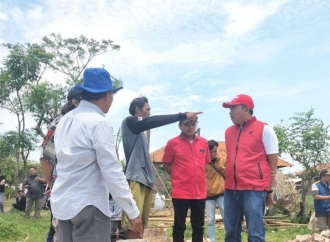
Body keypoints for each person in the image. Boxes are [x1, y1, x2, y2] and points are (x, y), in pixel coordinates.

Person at [51, 68, 142, 242]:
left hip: (63, 204)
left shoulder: (64, 120)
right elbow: (111, 171)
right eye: (112, 95)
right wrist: (133, 212)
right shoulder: (99, 123)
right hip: (88, 206)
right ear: (107, 94)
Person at [121, 96, 201, 239]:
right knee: (133, 223)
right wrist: (182, 115)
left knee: (142, 224)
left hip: (145, 181)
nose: (149, 113)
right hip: (135, 178)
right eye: (147, 109)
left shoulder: (140, 134)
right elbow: (153, 121)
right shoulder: (129, 122)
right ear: (137, 110)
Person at [222, 94, 278, 242]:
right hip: (230, 189)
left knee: (255, 234)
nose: (230, 112)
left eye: (234, 107)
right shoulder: (228, 132)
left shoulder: (264, 129)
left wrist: (270, 190)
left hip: (253, 189)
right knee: (231, 233)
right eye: (230, 108)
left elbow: (273, 163)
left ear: (246, 109)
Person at [40, 85, 82, 242]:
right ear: (75, 102)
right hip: (66, 188)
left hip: (71, 188)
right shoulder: (61, 122)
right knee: (59, 232)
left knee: (60, 232)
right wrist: (51, 184)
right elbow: (46, 155)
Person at [162, 119, 210, 242]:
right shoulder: (172, 143)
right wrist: (178, 176)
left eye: (193, 124)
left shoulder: (203, 142)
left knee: (198, 226)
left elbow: (204, 164)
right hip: (181, 192)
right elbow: (166, 164)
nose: (190, 127)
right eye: (187, 124)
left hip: (199, 192)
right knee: (179, 226)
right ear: (180, 126)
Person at [205, 139, 226, 242]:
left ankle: (229, 238)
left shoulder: (222, 160)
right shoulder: (202, 163)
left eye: (215, 151)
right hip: (208, 195)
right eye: (211, 152)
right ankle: (212, 239)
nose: (213, 154)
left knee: (226, 217)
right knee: (210, 220)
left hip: (221, 193)